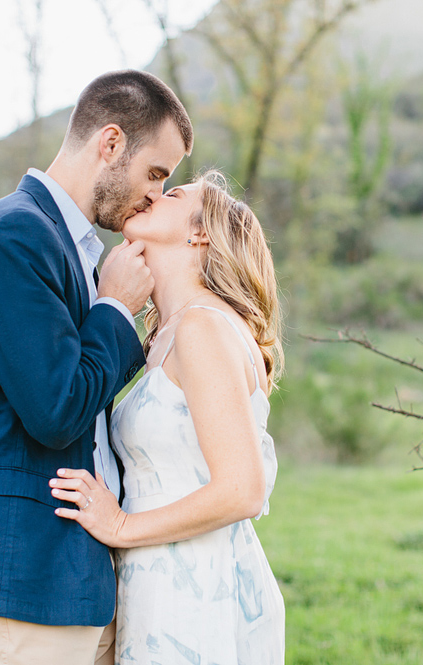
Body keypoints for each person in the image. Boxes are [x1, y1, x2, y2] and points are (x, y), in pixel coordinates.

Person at [0, 70, 193, 664]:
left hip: (74, 577)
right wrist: (114, 307)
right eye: (155, 173)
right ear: (109, 144)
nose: (156, 195)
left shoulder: (71, 247)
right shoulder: (14, 233)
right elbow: (55, 410)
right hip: (20, 574)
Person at [48, 169, 287, 664]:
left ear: (199, 233)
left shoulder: (203, 326)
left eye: (174, 193)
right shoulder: (169, 333)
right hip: (162, 576)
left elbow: (243, 490)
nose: (154, 194)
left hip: (196, 587)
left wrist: (118, 526)